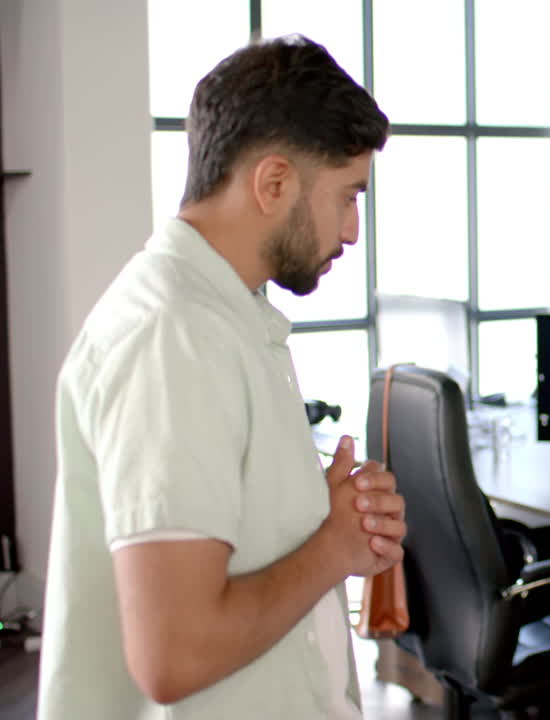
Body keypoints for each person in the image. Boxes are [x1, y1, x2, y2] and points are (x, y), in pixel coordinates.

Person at [38, 36, 402, 719]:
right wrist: (332, 550)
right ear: (272, 183)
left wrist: (318, 516)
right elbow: (174, 653)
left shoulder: (230, 314)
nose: (353, 232)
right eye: (347, 197)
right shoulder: (175, 334)